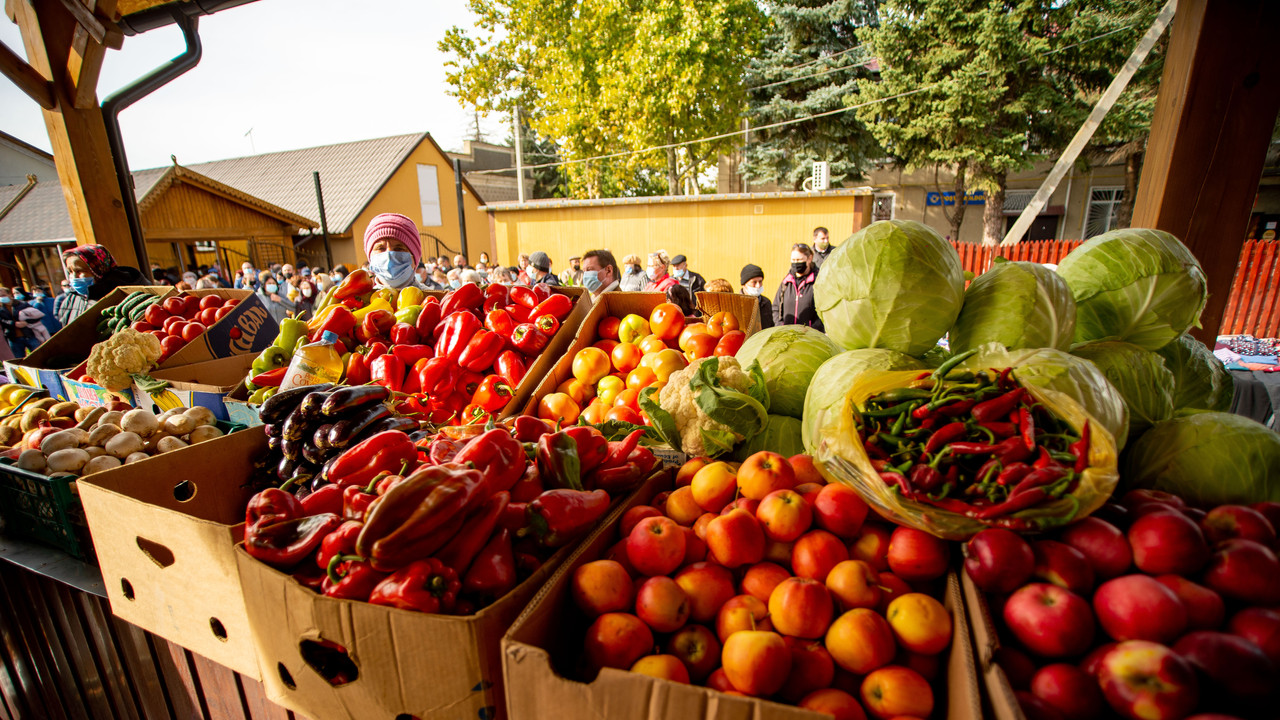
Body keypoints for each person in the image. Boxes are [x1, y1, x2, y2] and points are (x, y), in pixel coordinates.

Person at [57, 244, 148, 325]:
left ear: (99, 270)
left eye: (79, 271)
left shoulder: (123, 295)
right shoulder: (70, 300)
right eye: (70, 271)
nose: (74, 276)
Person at [364, 213, 428, 290]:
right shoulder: (359, 300)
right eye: (380, 248)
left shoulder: (436, 299)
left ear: (414, 258)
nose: (389, 255)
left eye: (399, 248)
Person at [773, 243, 822, 331]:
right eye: (793, 260)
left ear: (809, 258)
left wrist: (812, 329)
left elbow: (824, 312)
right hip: (787, 335)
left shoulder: (818, 282)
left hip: (809, 337)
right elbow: (776, 307)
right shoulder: (786, 282)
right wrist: (780, 326)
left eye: (799, 260)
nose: (796, 263)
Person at [0, 288, 39, 358]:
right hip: (14, 338)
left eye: (3, 295)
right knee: (19, 360)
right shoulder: (1, 309)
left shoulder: (22, 304)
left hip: (29, 335)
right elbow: (2, 321)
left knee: (38, 356)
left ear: (9, 294)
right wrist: (13, 324)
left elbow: (36, 315)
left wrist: (26, 322)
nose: (1, 298)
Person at [741, 264, 774, 329]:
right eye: (754, 282)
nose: (758, 286)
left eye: (760, 281)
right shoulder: (737, 302)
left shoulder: (766, 303)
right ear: (744, 284)